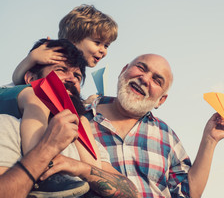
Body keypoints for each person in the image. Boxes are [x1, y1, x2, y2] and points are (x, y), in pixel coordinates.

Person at [0, 39, 139, 197]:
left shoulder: (85, 136)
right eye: (61, 69)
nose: (72, 79)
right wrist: (46, 152)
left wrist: (82, 169)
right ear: (30, 78)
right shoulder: (8, 126)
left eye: (77, 76)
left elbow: (132, 193)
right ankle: (46, 174)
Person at [85, 53, 224, 198]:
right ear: (123, 70)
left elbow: (189, 193)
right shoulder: (80, 118)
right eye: (141, 68)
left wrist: (210, 139)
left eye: (157, 80)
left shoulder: (165, 135)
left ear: (161, 100)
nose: (144, 79)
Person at [12, 4, 118, 86]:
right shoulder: (52, 53)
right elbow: (17, 80)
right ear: (74, 39)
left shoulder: (78, 69)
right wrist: (33, 58)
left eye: (106, 46)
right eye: (97, 43)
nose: (103, 50)